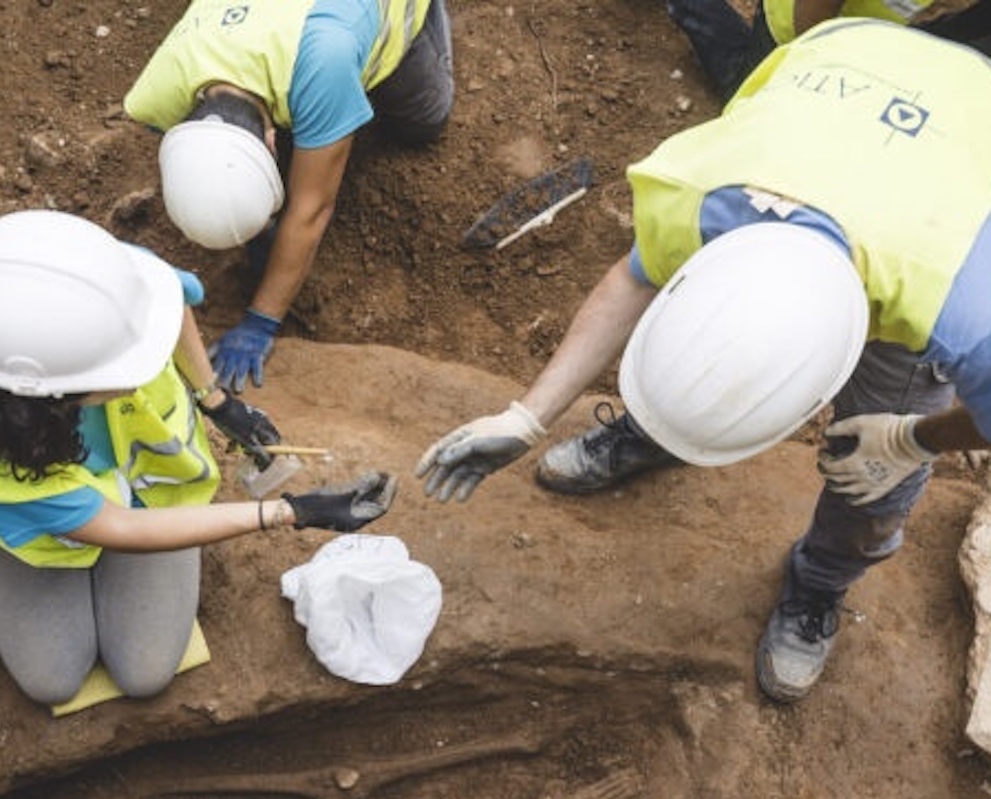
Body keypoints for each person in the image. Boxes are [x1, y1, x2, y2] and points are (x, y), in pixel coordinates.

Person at [415, 20, 991, 703]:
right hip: (845, 49)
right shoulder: (696, 196)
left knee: (874, 480)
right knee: (706, 358)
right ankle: (658, 426)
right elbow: (633, 278)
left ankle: (819, 583)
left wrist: (907, 438)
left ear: (812, 401)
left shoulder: (961, 305)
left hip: (962, 133)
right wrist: (525, 413)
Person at [0, 210, 396, 705]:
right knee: (54, 681)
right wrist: (293, 511)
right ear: (58, 399)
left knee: (144, 674)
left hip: (147, 496)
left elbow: (169, 303)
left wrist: (215, 399)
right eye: (125, 362)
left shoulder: (108, 285)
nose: (145, 358)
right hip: (65, 529)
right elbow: (121, 530)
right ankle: (10, 537)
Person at [123, 0, 454, 393]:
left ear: (272, 142)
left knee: (422, 121)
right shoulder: (156, 92)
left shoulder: (325, 59)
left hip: (361, 19)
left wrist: (261, 321)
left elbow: (311, 210)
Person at [667, 0, 991, 101]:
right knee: (749, 93)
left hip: (853, 35)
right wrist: (817, 77)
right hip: (794, 26)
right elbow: (807, 21)